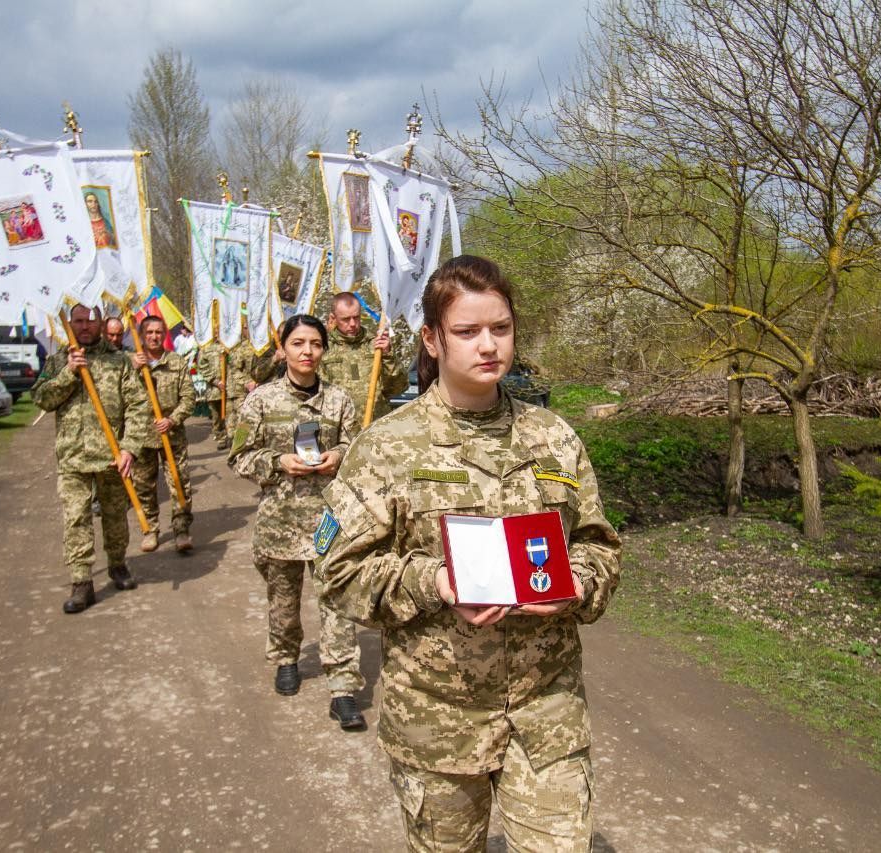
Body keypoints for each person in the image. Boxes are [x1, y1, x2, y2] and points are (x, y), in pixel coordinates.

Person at [317, 255, 621, 849]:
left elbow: (597, 544)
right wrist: (435, 582)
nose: (489, 346)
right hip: (439, 721)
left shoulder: (553, 437)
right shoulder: (386, 448)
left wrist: (577, 583)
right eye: (467, 331)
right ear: (431, 339)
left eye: (501, 329)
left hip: (545, 711)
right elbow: (338, 572)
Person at [228, 314, 366, 731]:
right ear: (283, 348)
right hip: (280, 522)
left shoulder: (339, 401)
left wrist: (339, 456)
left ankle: (342, 686)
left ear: (325, 350)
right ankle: (286, 656)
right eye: (298, 343)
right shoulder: (261, 401)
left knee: (338, 601)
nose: (307, 352)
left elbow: (356, 446)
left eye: (316, 344)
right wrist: (277, 461)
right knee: (283, 604)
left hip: (329, 521)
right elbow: (239, 457)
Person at [30, 303, 152, 614]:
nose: (85, 327)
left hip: (112, 458)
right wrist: (69, 373)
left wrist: (130, 448)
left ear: (100, 324)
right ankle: (81, 581)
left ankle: (117, 564)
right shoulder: (58, 360)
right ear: (69, 324)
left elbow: (139, 406)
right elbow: (42, 398)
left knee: (115, 517)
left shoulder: (119, 362)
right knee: (76, 519)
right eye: (78, 321)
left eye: (90, 321)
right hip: (72, 457)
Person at [130, 315, 195, 554]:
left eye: (158, 332)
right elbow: (121, 397)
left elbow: (189, 398)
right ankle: (150, 530)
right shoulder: (132, 364)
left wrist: (172, 419)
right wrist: (135, 370)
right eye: (149, 333)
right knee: (144, 486)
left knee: (179, 484)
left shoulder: (176, 362)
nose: (154, 337)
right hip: (142, 437)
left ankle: (181, 530)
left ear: (164, 334)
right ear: (141, 335)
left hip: (172, 435)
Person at [320, 292, 408, 421]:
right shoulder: (323, 348)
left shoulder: (376, 344)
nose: (352, 324)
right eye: (346, 319)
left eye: (356, 317)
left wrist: (388, 356)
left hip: (375, 425)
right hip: (340, 427)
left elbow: (398, 388)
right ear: (333, 318)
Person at [195, 338, 227, 447]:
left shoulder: (230, 342)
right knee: (216, 416)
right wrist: (216, 381)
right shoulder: (205, 347)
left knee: (233, 414)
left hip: (231, 388)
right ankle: (221, 437)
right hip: (213, 390)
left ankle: (234, 438)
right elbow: (202, 367)